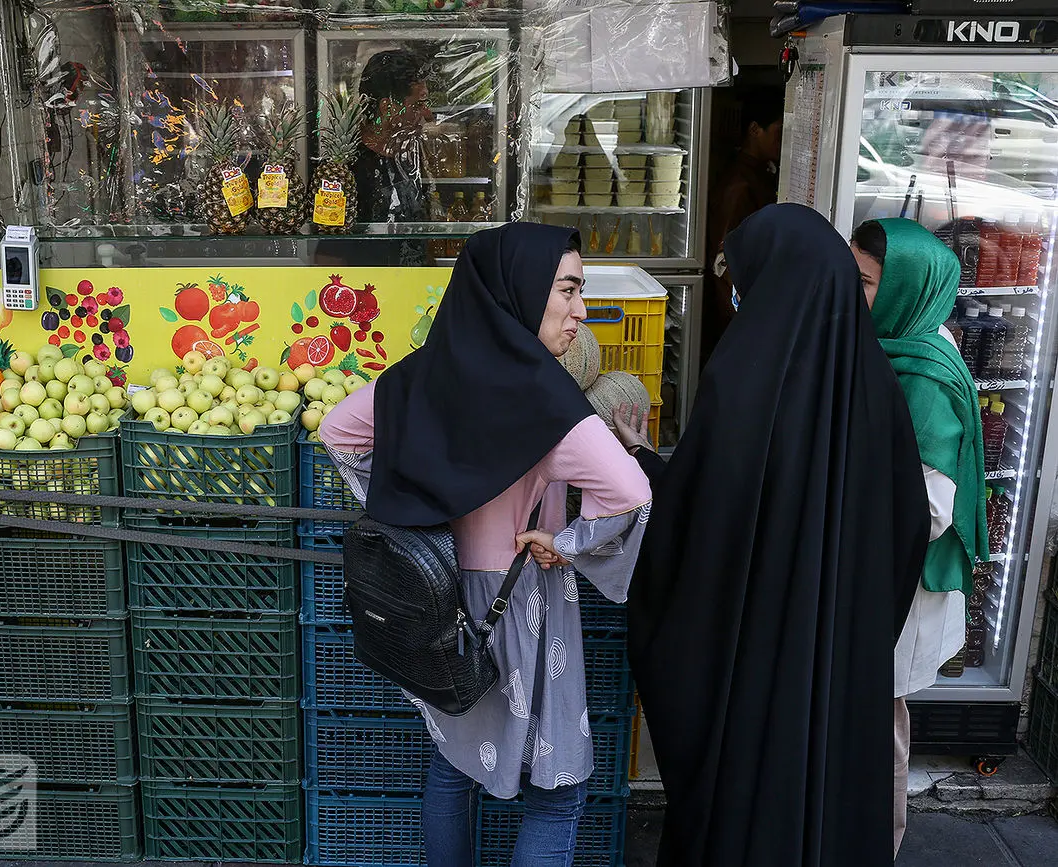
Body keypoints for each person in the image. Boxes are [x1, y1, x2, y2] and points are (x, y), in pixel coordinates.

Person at [320, 223, 652, 866]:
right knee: (556, 792)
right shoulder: (551, 402)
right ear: (523, 292)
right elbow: (633, 490)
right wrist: (568, 541)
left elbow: (339, 431)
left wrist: (413, 513)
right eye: (568, 291)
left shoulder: (421, 376)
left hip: (437, 599)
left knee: (452, 768)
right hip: (521, 600)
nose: (581, 312)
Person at [626, 204, 931, 866]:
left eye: (741, 274)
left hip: (749, 679)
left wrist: (649, 466)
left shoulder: (742, 385)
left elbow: (700, 525)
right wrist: (846, 632)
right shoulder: (877, 390)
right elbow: (907, 532)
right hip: (835, 674)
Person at [851, 218, 989, 856]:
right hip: (884, 576)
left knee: (881, 728)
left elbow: (929, 506)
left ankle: (877, 845)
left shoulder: (924, 376)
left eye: (868, 283)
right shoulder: (894, 346)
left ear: (908, 286)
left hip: (905, 581)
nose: (856, 296)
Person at [702, 87, 784, 364]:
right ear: (754, 129)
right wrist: (740, 318)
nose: (783, 142)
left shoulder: (760, 175)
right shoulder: (739, 185)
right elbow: (722, 261)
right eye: (778, 132)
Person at [353, 49, 435, 223]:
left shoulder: (415, 154)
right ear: (387, 108)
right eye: (418, 105)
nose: (428, 115)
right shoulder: (348, 172)